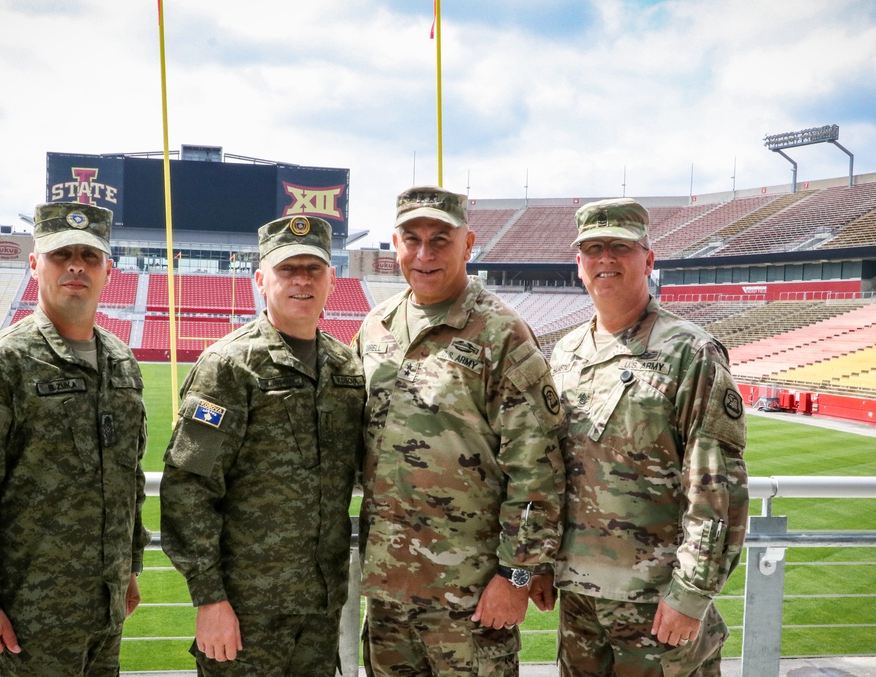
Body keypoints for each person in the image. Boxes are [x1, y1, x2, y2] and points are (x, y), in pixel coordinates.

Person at [0, 201, 150, 675]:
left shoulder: (121, 363)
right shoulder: (0, 364)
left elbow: (128, 478)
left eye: (89, 257)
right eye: (59, 254)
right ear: (35, 265)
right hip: (25, 617)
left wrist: (129, 565)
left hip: (105, 610)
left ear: (108, 271)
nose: (75, 265)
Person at [355, 185, 566, 676]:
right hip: (388, 596)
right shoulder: (376, 327)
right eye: (412, 239)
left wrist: (516, 576)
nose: (424, 254)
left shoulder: (500, 332)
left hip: (469, 600)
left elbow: (538, 467)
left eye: (440, 240)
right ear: (395, 243)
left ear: (469, 244)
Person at [545, 197, 749, 676]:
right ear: (579, 264)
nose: (605, 259)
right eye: (593, 248)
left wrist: (692, 594)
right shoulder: (566, 353)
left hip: (658, 603)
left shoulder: (690, 352)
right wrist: (535, 565)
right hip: (579, 601)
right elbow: (545, 469)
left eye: (621, 246)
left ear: (648, 259)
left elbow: (717, 487)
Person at [160, 215, 365, 676]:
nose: (301, 279)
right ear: (260, 279)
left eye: (313, 268)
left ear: (332, 279)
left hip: (320, 605)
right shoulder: (229, 365)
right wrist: (210, 597)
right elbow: (189, 488)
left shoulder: (346, 368)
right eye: (286, 268)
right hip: (245, 610)